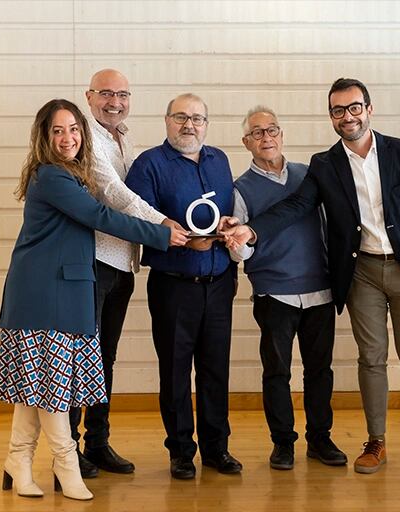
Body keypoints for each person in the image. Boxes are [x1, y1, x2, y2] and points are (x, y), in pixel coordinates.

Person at [220, 78, 400, 473]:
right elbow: (295, 206)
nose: (348, 116)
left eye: (354, 107)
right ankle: (375, 441)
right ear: (331, 116)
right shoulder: (324, 166)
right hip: (361, 274)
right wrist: (251, 230)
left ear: (369, 109)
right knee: (371, 359)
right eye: (339, 110)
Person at [0, 99, 185, 500]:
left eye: (74, 130)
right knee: (54, 386)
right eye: (58, 131)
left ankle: (19, 459)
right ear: (44, 138)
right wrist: (160, 235)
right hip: (42, 292)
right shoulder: (52, 178)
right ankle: (66, 465)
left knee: (37, 385)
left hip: (60, 289)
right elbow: (103, 218)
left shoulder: (70, 176)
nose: (68, 138)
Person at [70, 69, 184, 478]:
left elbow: (143, 186)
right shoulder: (84, 135)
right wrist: (161, 224)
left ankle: (97, 442)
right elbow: (114, 193)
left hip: (123, 262)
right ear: (89, 96)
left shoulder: (124, 136)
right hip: (94, 260)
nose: (114, 101)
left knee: (105, 357)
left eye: (122, 94)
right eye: (105, 93)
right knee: (81, 358)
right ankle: (68, 450)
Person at [125, 93, 241, 480]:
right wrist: (182, 239)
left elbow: (228, 211)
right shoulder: (149, 165)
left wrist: (227, 227)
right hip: (175, 285)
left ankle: (216, 448)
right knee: (175, 371)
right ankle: (180, 451)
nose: (189, 125)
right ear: (166, 120)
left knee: (215, 369)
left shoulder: (220, 160)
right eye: (181, 117)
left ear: (207, 123)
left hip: (220, 281)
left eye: (197, 118)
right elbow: (140, 221)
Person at [229, 106, 346, 470]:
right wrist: (236, 241)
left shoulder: (309, 175)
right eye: (258, 133)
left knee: (320, 371)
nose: (267, 138)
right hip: (273, 293)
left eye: (273, 130)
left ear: (282, 135)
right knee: (277, 372)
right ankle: (283, 444)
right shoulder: (239, 189)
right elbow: (240, 252)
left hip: (320, 291)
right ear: (246, 142)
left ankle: (320, 440)